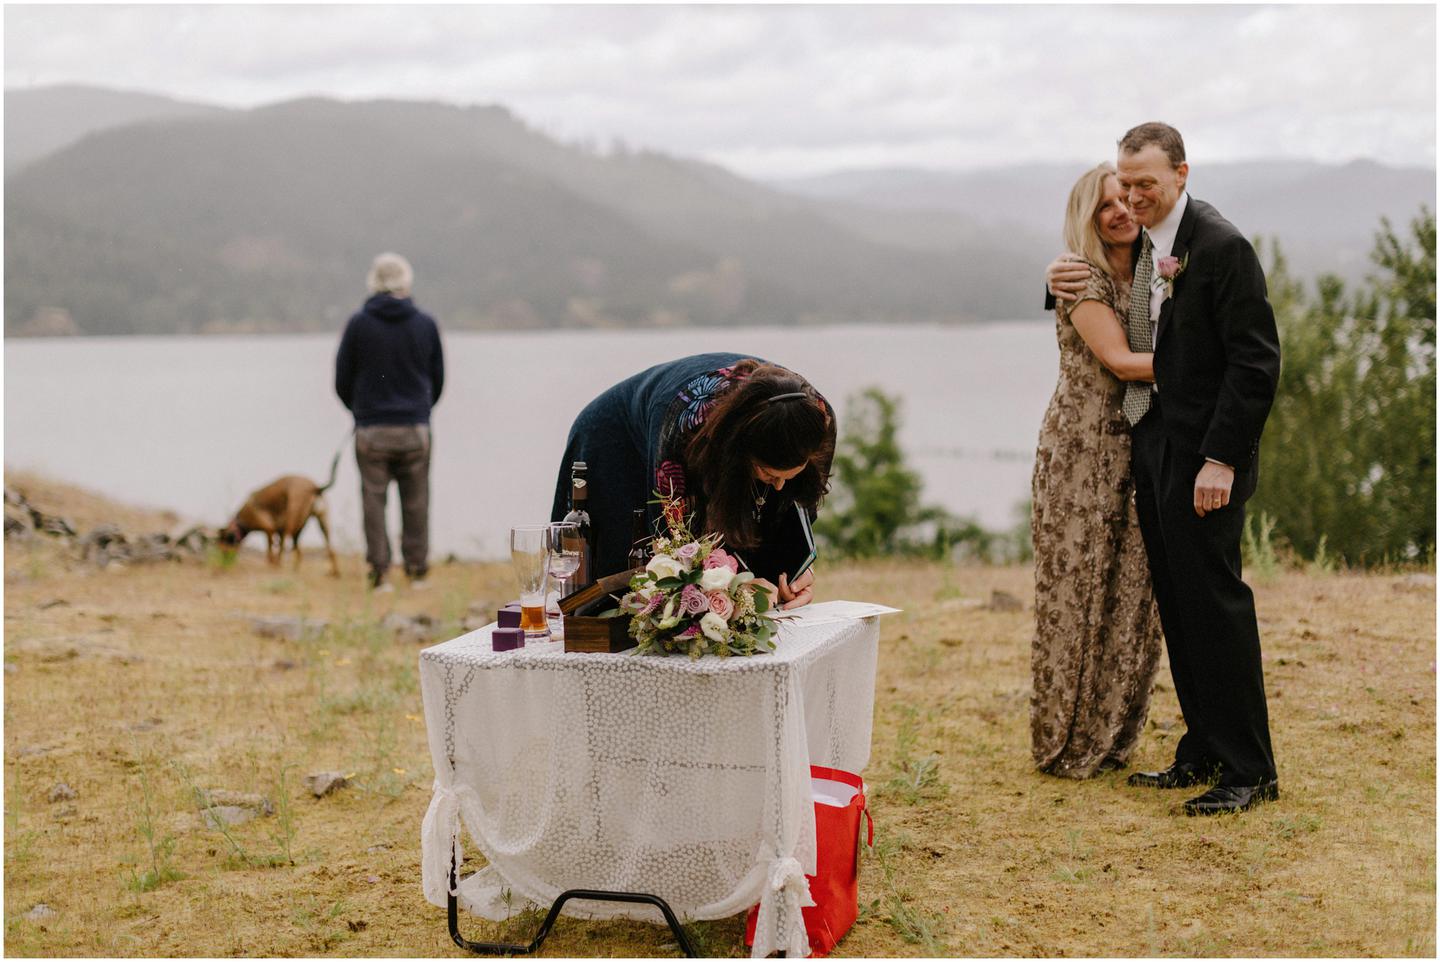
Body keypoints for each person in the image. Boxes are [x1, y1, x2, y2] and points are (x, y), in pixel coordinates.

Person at [1047, 123, 1282, 815]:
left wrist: (1221, 459)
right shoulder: (1152, 241)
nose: (1133, 196)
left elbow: (1255, 363)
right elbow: (1110, 298)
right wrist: (1052, 278)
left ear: (1182, 173)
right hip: (1156, 446)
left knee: (1216, 608)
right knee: (1179, 607)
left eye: (1146, 183)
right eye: (1125, 184)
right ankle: (1203, 749)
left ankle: (1250, 770)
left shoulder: (1220, 245)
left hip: (1206, 455)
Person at [1030, 163, 1164, 779]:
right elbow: (1119, 360)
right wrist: (1209, 368)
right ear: (1087, 217)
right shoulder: (1078, 277)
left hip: (1139, 448)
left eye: (1126, 199)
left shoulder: (1152, 269)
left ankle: (1112, 736)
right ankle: (1067, 740)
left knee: (1132, 592)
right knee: (1075, 595)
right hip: (1082, 453)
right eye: (1104, 204)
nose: (1119, 211)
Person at [550, 353, 835, 609]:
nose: (779, 486)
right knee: (625, 594)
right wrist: (734, 589)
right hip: (615, 442)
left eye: (790, 474)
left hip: (718, 438)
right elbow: (673, 542)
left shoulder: (817, 421)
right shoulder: (684, 424)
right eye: (769, 474)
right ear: (741, 453)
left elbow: (794, 512)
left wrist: (791, 578)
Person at [335, 252, 445, 592]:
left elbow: (342, 379)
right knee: (416, 502)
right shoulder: (425, 323)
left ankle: (379, 574)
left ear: (373, 281)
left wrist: (361, 412)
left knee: (373, 502)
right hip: (415, 428)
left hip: (371, 429)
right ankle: (416, 572)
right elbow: (438, 378)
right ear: (406, 281)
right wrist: (420, 412)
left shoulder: (358, 323)